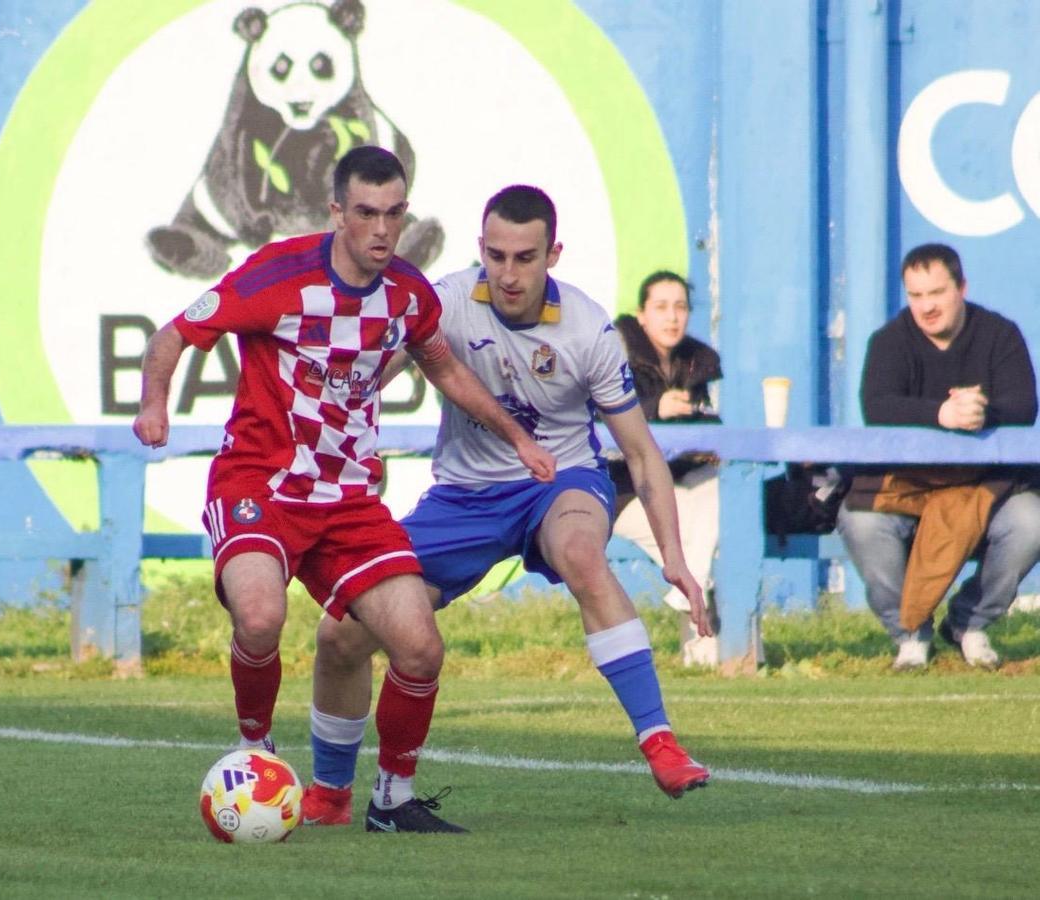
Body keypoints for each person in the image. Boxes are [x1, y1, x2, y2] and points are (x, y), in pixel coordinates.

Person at [132, 147, 556, 834]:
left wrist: (518, 437)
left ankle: (391, 800)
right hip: (259, 485)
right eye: (365, 213)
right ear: (337, 211)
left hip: (349, 503)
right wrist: (155, 404)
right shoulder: (278, 275)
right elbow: (173, 337)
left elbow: (444, 368)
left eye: (393, 214)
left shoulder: (409, 295)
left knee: (420, 647)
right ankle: (255, 752)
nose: (381, 230)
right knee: (261, 617)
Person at [300, 185, 713, 830]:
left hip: (559, 483)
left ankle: (660, 742)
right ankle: (332, 796)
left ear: (554, 253)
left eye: (525, 257)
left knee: (580, 553)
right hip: (461, 498)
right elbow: (370, 379)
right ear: (480, 250)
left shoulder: (589, 329)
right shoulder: (447, 302)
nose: (509, 272)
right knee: (343, 632)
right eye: (496, 255)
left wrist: (675, 558)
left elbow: (640, 453)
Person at [837, 242, 1040, 670]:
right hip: (907, 488)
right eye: (916, 295)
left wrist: (982, 411)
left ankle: (969, 623)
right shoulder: (889, 341)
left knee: (1031, 520)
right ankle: (910, 634)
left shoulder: (999, 334)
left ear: (961, 287)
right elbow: (877, 406)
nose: (926, 306)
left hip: (988, 487)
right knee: (859, 520)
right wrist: (941, 414)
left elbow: (1024, 406)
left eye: (936, 293)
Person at [610, 272, 723, 666]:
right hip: (623, 488)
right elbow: (599, 417)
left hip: (679, 482)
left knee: (714, 495)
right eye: (660, 307)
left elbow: (715, 427)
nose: (672, 317)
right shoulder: (615, 352)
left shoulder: (698, 362)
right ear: (641, 315)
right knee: (694, 527)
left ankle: (697, 633)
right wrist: (655, 409)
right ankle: (704, 641)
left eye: (680, 307)